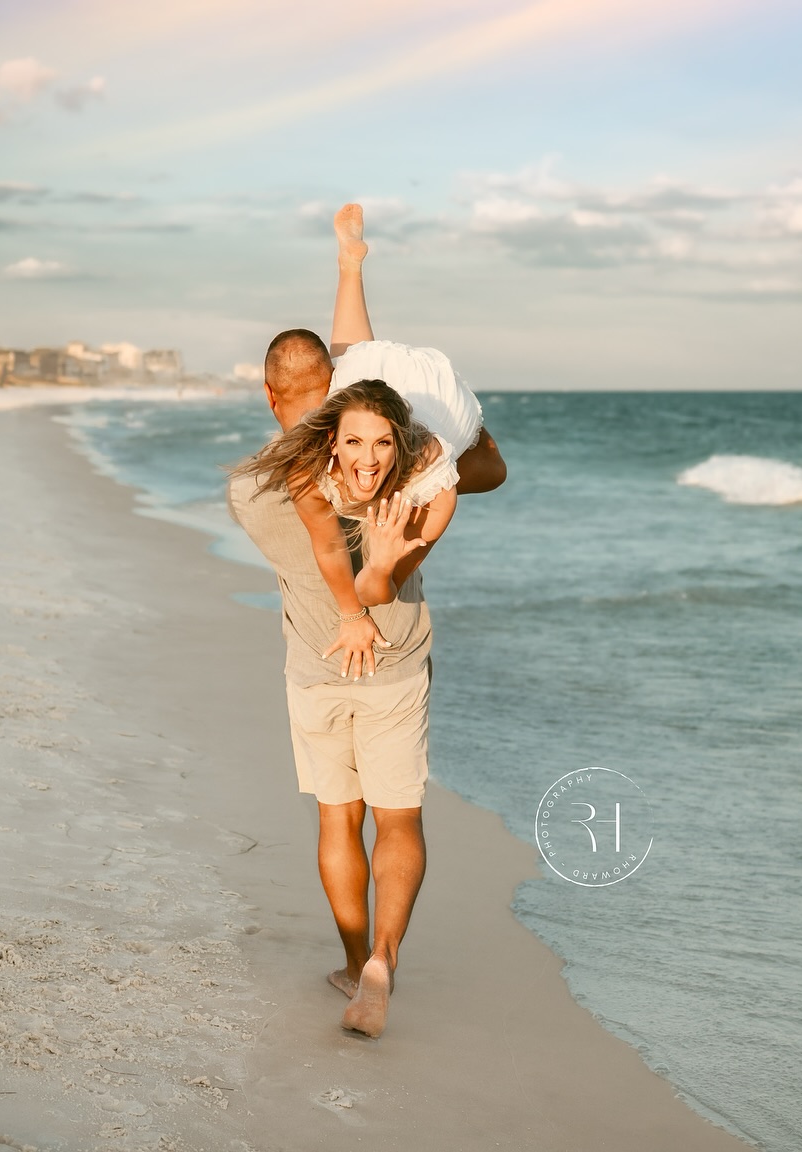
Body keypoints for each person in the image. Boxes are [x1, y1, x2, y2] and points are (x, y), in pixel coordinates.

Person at [225, 206, 503, 1039]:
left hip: (316, 666)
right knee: (401, 820)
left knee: (336, 820)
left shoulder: (253, 488)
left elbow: (321, 521)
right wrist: (435, 447)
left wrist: (349, 271)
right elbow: (479, 469)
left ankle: (352, 963)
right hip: (396, 661)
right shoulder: (387, 458)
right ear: (341, 403)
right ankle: (384, 958)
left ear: (268, 394)